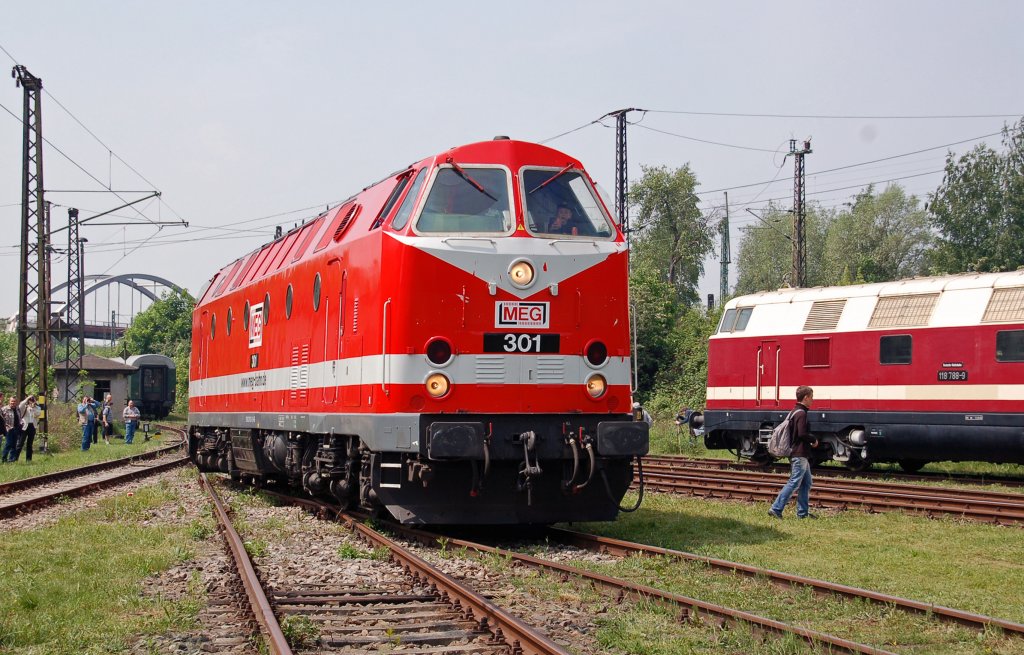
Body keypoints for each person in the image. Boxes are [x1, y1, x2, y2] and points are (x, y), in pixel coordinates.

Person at [768, 386, 818, 519]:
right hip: (799, 453)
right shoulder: (801, 413)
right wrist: (813, 440)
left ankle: (802, 513)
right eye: (811, 397)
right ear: (806, 397)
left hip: (799, 453)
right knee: (794, 482)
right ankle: (776, 508)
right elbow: (802, 434)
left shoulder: (794, 411)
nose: (813, 400)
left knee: (806, 482)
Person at [18, 395, 41, 461]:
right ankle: (15, 458)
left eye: (32, 400)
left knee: (30, 444)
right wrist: (27, 398)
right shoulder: (24, 407)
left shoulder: (37, 408)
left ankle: (28, 459)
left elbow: (38, 414)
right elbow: (20, 405)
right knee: (20, 443)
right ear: (28, 401)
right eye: (30, 400)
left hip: (32, 426)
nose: (31, 401)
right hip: (25, 426)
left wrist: (34, 407)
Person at [1, 396, 24, 463]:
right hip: (8, 429)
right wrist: (5, 426)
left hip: (16, 428)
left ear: (16, 402)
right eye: (12, 401)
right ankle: (4, 459)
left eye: (14, 401)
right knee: (8, 444)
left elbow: (19, 417)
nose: (13, 403)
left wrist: (21, 423)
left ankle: (12, 460)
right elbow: (2, 420)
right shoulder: (4, 409)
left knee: (14, 445)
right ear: (9, 401)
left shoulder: (17, 409)